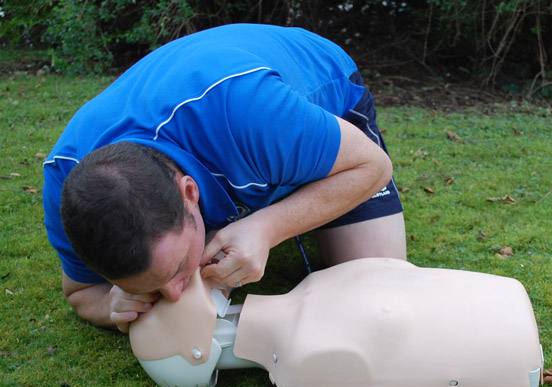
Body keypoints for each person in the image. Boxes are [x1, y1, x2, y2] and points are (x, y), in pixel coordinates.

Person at [42, 23, 407, 332]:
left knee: (379, 291)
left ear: (189, 192)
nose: (173, 295)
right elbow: (79, 292)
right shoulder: (69, 188)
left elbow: (372, 167)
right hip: (234, 128)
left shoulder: (251, 114)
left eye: (179, 267)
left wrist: (268, 227)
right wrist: (110, 303)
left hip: (322, 86)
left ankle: (288, 181)